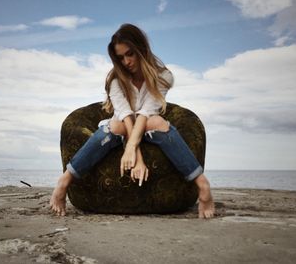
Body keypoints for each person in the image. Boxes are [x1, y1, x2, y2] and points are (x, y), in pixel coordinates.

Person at [50, 23, 215, 219]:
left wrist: (132, 150)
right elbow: (125, 115)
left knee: (157, 122)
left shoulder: (164, 77)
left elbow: (146, 114)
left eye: (130, 54)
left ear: (141, 49)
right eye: (120, 57)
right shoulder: (115, 80)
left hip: (148, 126)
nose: (126, 61)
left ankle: (202, 184)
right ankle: (64, 182)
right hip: (122, 128)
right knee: (115, 125)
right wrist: (134, 153)